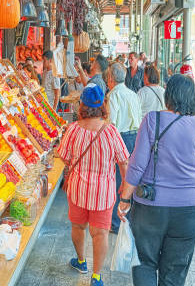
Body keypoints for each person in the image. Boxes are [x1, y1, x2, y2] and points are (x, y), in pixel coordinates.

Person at [118, 74, 195, 286]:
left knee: (145, 262)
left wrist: (124, 199)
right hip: (190, 211)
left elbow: (137, 164)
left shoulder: (153, 120)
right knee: (175, 272)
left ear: (168, 95)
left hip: (151, 208)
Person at [57, 84, 129, 286]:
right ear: (102, 106)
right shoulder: (111, 131)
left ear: (82, 106)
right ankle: (96, 276)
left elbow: (63, 156)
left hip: (78, 190)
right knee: (100, 233)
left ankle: (81, 261)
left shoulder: (73, 130)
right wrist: (124, 184)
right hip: (103, 194)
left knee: (78, 227)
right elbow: (124, 161)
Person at [104, 62, 142, 232]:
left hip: (121, 138)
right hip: (135, 138)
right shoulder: (132, 94)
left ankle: (115, 221)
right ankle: (129, 217)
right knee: (131, 178)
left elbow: (111, 124)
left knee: (118, 180)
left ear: (110, 78)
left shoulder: (113, 95)